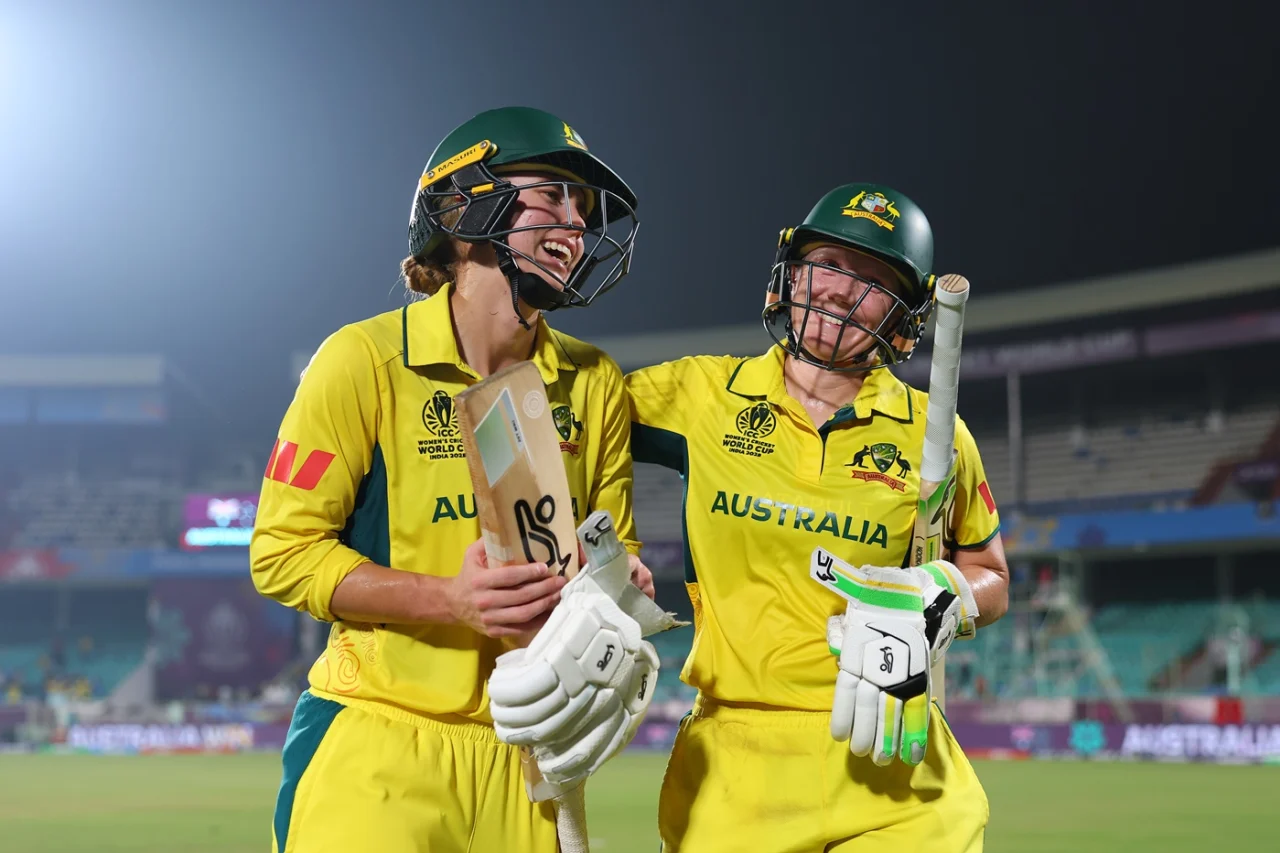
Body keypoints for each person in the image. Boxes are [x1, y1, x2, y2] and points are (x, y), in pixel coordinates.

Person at [251, 106, 655, 853]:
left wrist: (616, 580)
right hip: (377, 738)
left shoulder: (594, 380)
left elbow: (611, 547)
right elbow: (282, 554)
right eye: (553, 195)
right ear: (466, 209)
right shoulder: (362, 361)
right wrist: (449, 599)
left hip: (531, 757)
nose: (576, 223)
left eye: (583, 206)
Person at [627, 183, 1010, 852]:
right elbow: (572, 428)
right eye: (827, 264)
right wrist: (609, 545)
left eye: (871, 280)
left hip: (892, 756)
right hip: (733, 767)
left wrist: (942, 591)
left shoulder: (937, 435)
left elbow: (990, 575)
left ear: (904, 316)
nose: (838, 291)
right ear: (792, 274)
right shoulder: (697, 394)